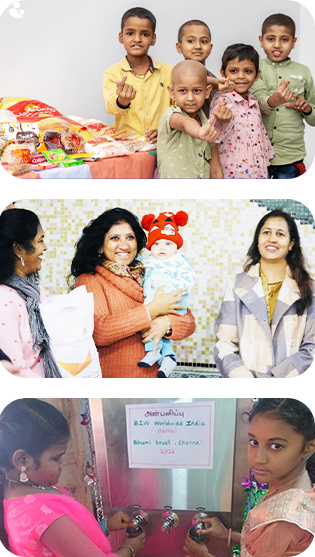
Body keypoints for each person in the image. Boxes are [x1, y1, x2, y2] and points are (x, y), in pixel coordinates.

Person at [0, 399, 146, 557]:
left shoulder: (22, 491)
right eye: (56, 458)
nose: (62, 464)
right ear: (22, 459)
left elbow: (67, 544)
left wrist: (105, 527)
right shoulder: (46, 515)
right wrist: (128, 549)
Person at [70, 208, 195, 378]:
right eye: (115, 238)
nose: (124, 245)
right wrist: (151, 310)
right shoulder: (89, 280)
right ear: (99, 246)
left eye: (130, 237)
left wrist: (166, 323)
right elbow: (99, 331)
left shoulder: (150, 272)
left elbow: (188, 322)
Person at [184, 398, 315, 557]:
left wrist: (202, 554)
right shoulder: (296, 486)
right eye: (254, 442)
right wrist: (228, 535)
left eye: (276, 446)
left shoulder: (284, 520)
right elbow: (266, 545)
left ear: (309, 447)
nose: (258, 458)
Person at [215, 210, 314, 377]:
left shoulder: (308, 288)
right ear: (258, 240)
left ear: (291, 244)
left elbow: (312, 347)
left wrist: (278, 378)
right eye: (266, 232)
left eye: (280, 234)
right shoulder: (236, 285)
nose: (272, 238)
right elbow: (224, 343)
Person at [250, 13, 315, 179]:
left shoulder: (304, 72)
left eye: (284, 39)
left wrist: (307, 109)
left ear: (294, 42)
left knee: (285, 201)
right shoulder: (254, 68)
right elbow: (258, 102)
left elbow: (314, 119)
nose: (277, 45)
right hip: (257, 156)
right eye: (271, 39)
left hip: (290, 157)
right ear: (261, 40)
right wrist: (274, 101)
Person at [0, 208, 56, 378]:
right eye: (40, 240)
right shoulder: (2, 300)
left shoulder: (35, 288)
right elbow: (16, 370)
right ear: (18, 249)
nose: (44, 248)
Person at [138, 211, 196, 377]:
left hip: (174, 300)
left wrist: (167, 297)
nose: (161, 247)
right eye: (156, 244)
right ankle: (160, 355)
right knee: (150, 327)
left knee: (162, 326)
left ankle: (165, 355)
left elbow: (187, 279)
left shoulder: (179, 262)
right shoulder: (146, 262)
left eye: (168, 243)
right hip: (151, 302)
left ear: (176, 246)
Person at [102, 7, 172, 142]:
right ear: (121, 37)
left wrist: (166, 130)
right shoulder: (112, 72)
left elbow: (179, 110)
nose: (137, 39)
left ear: (153, 39)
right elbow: (110, 105)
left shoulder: (169, 72)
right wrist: (122, 101)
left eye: (145, 34)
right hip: (126, 148)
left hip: (162, 146)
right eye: (130, 33)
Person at [157, 60, 231, 179]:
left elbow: (216, 170)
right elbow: (185, 122)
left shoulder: (207, 124)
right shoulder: (170, 115)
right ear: (172, 92)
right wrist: (199, 132)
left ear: (207, 92)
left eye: (197, 90)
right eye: (183, 91)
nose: (190, 98)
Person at [211, 44, 275, 178]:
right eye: (234, 71)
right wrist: (220, 121)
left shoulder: (254, 102)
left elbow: (261, 139)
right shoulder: (222, 100)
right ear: (223, 74)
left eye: (248, 71)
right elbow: (211, 139)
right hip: (232, 175)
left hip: (257, 174)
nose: (241, 76)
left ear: (257, 75)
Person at [175, 20, 220, 119]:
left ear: (210, 47)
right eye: (191, 41)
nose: (198, 46)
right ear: (179, 47)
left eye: (204, 41)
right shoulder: (174, 77)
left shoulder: (215, 81)